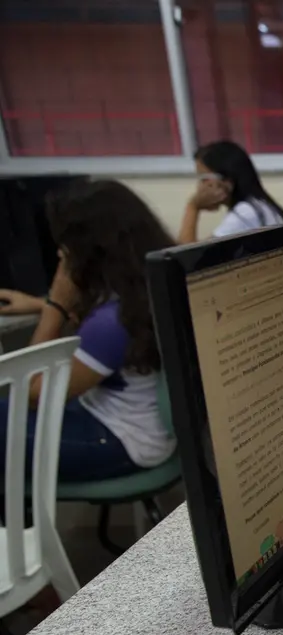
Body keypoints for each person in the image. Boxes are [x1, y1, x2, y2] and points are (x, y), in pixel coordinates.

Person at [0, 180, 177, 481]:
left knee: (9, 411)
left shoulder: (112, 322)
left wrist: (55, 306)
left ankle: (19, 523)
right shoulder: (147, 292)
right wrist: (40, 304)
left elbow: (31, 395)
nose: (59, 255)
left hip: (122, 440)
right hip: (147, 428)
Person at [179, 139, 283, 243]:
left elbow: (187, 257)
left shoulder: (244, 214)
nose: (199, 187)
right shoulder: (257, 204)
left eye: (204, 179)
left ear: (227, 181)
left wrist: (192, 207)